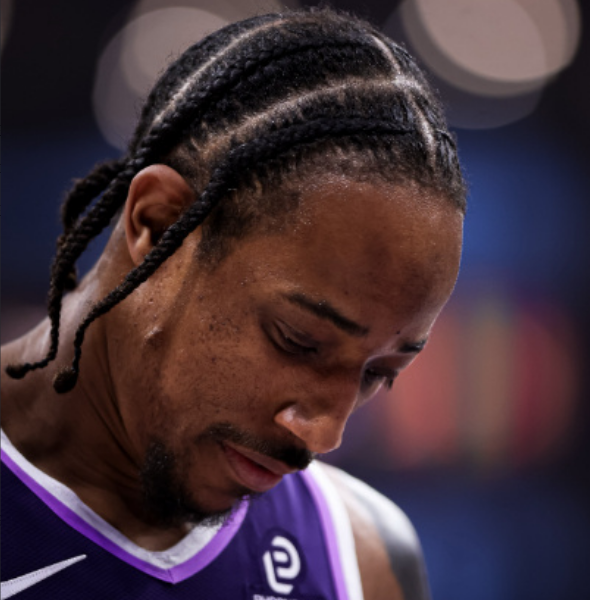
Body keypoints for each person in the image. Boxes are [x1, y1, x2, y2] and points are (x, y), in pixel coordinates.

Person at [1, 8, 465, 600]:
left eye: (379, 374)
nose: (324, 435)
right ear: (158, 224)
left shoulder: (363, 559)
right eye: (297, 341)